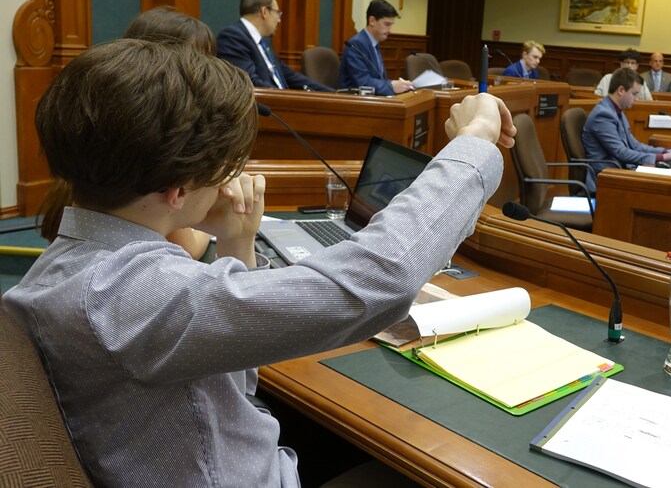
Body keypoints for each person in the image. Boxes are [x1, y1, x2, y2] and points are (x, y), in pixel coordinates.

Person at [1, 38, 515, 487]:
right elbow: (374, 281)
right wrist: (473, 143)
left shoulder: (71, 266)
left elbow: (220, 373)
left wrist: (236, 241)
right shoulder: (129, 293)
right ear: (178, 189)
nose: (230, 177)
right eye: (223, 167)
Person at [37, 6, 216, 259]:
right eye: (196, 62)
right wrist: (213, 219)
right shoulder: (150, 141)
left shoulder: (106, 117)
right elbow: (187, 248)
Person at [581, 68, 671, 194]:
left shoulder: (616, 111)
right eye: (634, 93)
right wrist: (662, 157)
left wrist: (667, 151)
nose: (636, 98)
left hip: (618, 170)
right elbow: (621, 152)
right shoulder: (603, 115)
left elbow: (635, 145)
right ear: (621, 90)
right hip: (605, 177)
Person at [217, 0, 333, 91]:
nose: (279, 20)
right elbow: (250, 82)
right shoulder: (232, 37)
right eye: (277, 13)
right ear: (264, 12)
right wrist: (286, 98)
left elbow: (289, 75)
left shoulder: (262, 42)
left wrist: (333, 93)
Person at [339, 0, 414, 95]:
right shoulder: (356, 44)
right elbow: (363, 82)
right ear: (372, 21)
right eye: (387, 24)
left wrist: (397, 84)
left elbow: (379, 79)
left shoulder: (373, 43)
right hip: (353, 100)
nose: (391, 31)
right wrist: (392, 86)